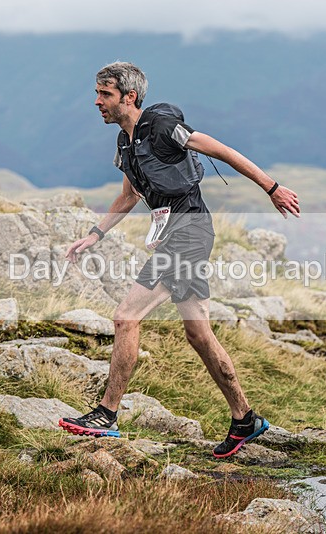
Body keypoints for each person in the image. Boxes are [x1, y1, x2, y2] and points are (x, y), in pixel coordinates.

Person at [59, 62, 300, 458]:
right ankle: (245, 419)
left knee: (126, 316)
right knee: (198, 333)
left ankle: (106, 415)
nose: (96, 101)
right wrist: (94, 235)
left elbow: (221, 150)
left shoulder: (163, 127)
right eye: (97, 93)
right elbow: (130, 196)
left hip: (188, 233)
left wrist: (271, 187)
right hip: (176, 235)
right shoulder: (125, 142)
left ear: (128, 97)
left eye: (104, 94)